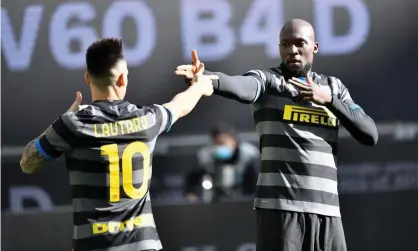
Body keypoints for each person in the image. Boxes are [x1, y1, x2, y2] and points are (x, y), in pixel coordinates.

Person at [175, 19, 378, 251]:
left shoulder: (334, 88)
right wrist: (209, 78)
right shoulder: (269, 81)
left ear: (315, 47)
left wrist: (329, 100)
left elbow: (369, 134)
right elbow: (240, 85)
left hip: (327, 213)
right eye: (285, 44)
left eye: (300, 43)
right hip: (281, 212)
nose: (292, 50)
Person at [19, 37, 218, 251]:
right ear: (122, 79)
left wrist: (67, 116)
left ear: (87, 79)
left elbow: (28, 163)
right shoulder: (147, 120)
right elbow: (180, 105)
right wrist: (198, 84)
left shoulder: (72, 125)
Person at [185, 123, 259, 202]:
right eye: (217, 144)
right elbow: (192, 178)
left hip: (246, 197)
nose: (220, 147)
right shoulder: (205, 157)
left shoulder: (249, 155)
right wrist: (191, 193)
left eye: (223, 143)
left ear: (234, 141)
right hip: (216, 199)